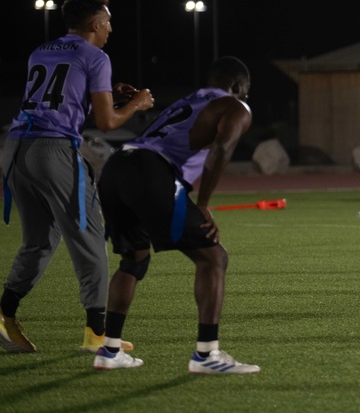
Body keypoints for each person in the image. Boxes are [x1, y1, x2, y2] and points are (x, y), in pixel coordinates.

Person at [0, 0, 154, 354]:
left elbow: (60, 101)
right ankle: (97, 333)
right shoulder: (95, 56)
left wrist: (105, 93)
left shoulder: (41, 50)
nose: (110, 28)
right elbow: (106, 122)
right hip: (53, 151)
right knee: (91, 237)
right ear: (95, 23)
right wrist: (137, 103)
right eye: (108, 21)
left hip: (16, 146)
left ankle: (5, 315)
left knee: (39, 240)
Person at [92, 56, 260, 373]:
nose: (245, 99)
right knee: (213, 257)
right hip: (151, 171)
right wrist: (205, 203)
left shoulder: (188, 100)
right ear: (238, 86)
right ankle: (206, 355)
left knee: (134, 258)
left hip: (117, 167)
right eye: (245, 92)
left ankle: (110, 350)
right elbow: (223, 148)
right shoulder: (236, 106)